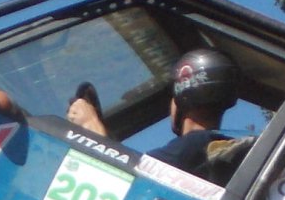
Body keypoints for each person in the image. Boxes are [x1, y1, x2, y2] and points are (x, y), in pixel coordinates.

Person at [67, 46, 240, 179]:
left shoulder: (192, 146)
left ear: (182, 95)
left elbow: (127, 177)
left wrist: (89, 123)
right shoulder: (215, 149)